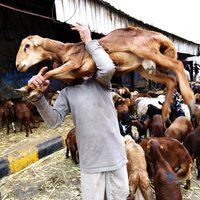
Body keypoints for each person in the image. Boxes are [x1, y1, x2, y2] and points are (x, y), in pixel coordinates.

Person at [28, 22, 129, 200]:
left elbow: (108, 67)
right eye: (56, 71)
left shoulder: (100, 81)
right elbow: (53, 121)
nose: (61, 74)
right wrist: (37, 96)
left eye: (62, 67)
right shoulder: (66, 94)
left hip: (115, 157)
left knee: (120, 196)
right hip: (90, 163)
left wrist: (89, 41)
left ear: (73, 65)